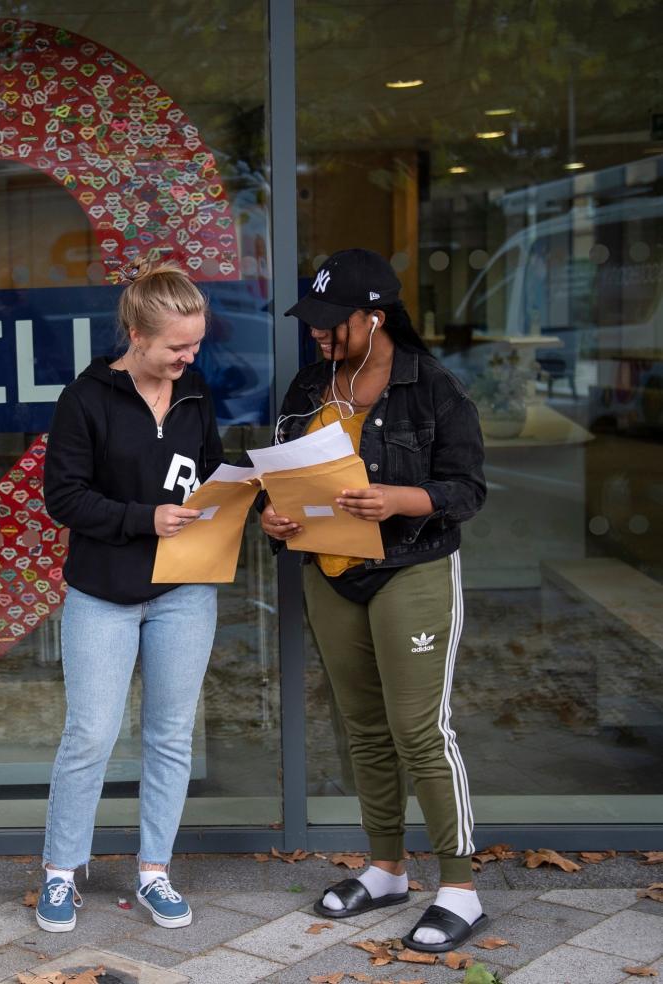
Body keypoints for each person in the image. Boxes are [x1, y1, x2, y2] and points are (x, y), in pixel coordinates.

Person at [261, 248, 488, 953]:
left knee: (420, 729)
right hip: (330, 571)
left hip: (411, 568)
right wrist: (274, 516)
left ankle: (460, 888)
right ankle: (387, 869)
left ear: (376, 317)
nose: (319, 335)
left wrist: (399, 498)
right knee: (362, 728)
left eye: (334, 323)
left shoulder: (433, 387)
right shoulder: (309, 386)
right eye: (314, 322)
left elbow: (468, 490)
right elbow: (281, 478)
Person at [37, 258, 223, 933]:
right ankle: (61, 873)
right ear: (138, 335)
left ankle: (155, 873)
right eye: (177, 345)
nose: (189, 356)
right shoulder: (85, 399)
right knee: (90, 733)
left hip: (184, 592)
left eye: (196, 343)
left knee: (171, 735)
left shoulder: (196, 392)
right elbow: (64, 498)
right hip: (102, 593)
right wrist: (142, 519)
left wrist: (232, 503)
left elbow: (209, 472)